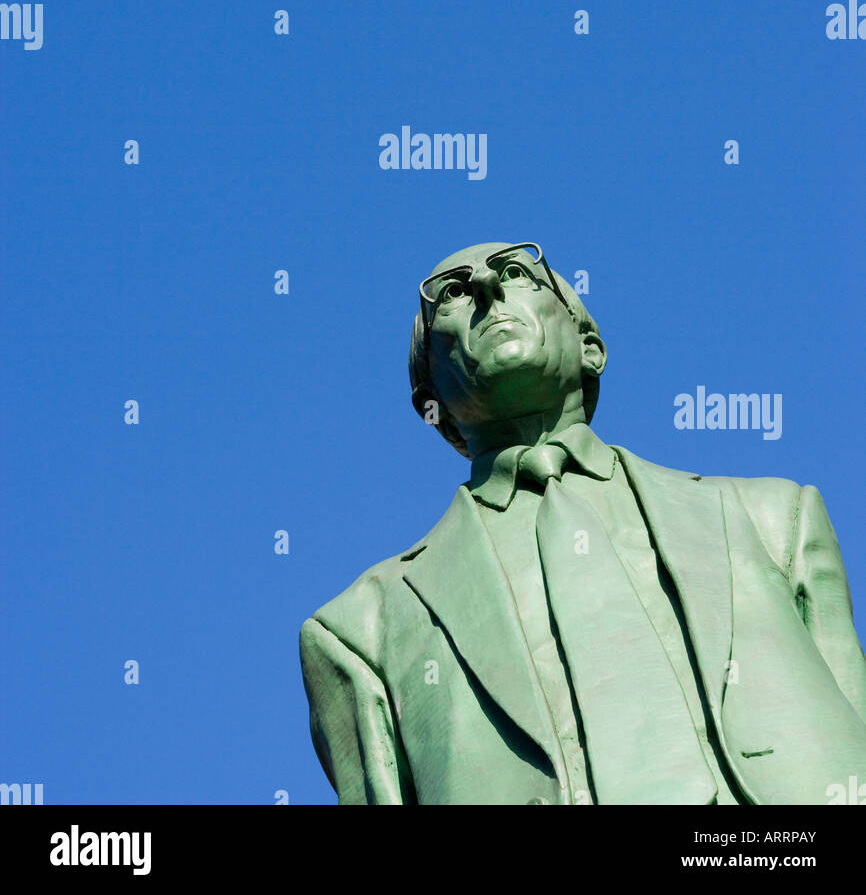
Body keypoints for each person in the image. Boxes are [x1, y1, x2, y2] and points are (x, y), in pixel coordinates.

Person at [300, 241, 866, 804]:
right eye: (451, 294)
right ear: (433, 406)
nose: (486, 289)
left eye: (517, 272)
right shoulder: (361, 631)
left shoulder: (773, 519)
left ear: (590, 345)